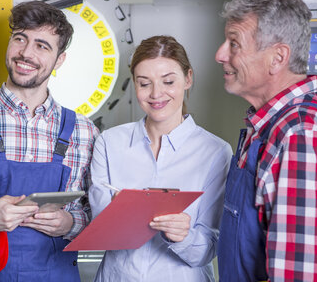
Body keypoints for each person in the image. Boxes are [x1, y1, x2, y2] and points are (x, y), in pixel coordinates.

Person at [0, 0, 99, 281]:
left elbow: (98, 216)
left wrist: (70, 223)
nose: (26, 53)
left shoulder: (83, 132)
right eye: (20, 39)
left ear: (59, 59)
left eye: (42, 45)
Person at [89, 35, 232, 282]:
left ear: (188, 79)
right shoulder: (109, 143)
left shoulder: (216, 152)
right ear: (134, 84)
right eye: (144, 84)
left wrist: (182, 235)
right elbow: (99, 230)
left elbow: (209, 249)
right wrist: (119, 215)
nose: (156, 94)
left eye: (168, 81)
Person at [215, 0, 317, 282]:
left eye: (234, 43)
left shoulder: (299, 131)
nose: (220, 54)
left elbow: (299, 271)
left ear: (278, 57)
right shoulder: (267, 124)